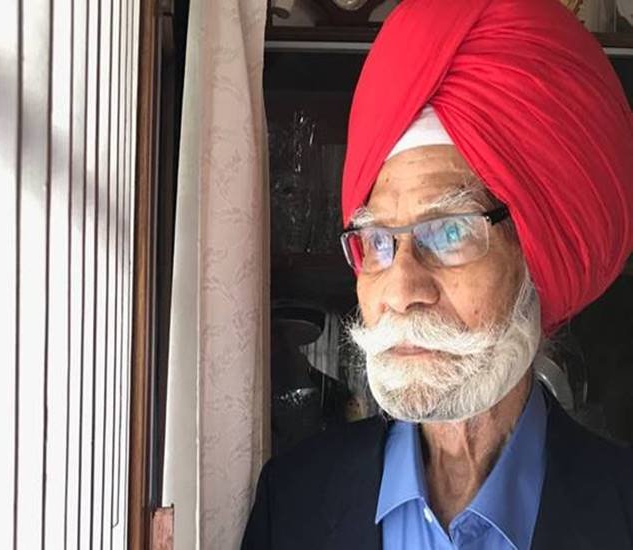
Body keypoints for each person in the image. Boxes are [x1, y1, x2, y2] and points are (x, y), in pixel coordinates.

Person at [242, 0, 633, 548]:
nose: (402, 291)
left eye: (449, 232)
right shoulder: (293, 503)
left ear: (536, 252)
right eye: (378, 241)